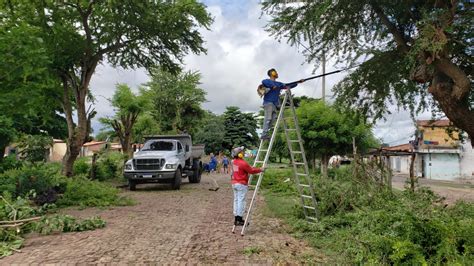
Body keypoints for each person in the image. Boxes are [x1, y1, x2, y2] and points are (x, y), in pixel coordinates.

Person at [260, 68, 304, 139]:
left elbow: (288, 85)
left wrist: (298, 82)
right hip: (268, 103)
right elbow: (264, 82)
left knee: (273, 119)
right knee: (268, 119)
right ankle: (264, 134)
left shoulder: (278, 84)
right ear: (272, 73)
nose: (277, 73)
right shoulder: (267, 81)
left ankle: (265, 133)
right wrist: (272, 86)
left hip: (274, 104)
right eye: (275, 72)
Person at [231, 146, 263, 226]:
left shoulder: (234, 162)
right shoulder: (242, 163)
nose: (243, 152)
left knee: (236, 200)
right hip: (241, 184)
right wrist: (260, 169)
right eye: (242, 151)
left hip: (234, 183)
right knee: (241, 201)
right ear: (239, 154)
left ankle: (236, 219)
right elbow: (251, 170)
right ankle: (240, 219)